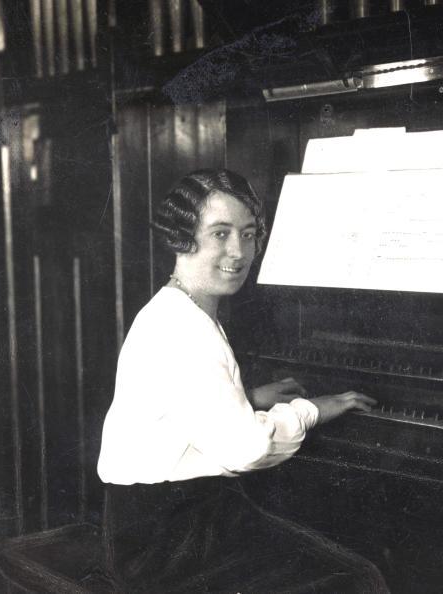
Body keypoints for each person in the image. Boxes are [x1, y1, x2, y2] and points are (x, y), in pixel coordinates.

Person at [97, 168, 389, 593]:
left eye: (249, 234)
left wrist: (248, 398)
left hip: (160, 521)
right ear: (182, 237)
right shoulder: (184, 329)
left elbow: (186, 407)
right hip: (166, 543)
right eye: (220, 233)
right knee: (355, 578)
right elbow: (247, 451)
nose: (239, 251)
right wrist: (312, 410)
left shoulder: (176, 307)